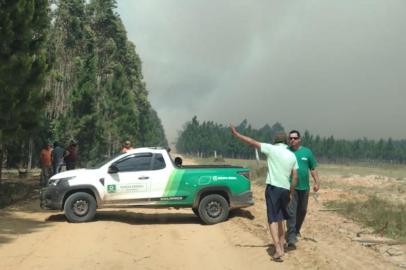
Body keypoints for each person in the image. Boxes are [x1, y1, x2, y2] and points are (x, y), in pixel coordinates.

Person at [231, 126, 298, 261]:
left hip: (273, 188)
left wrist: (237, 135)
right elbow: (295, 176)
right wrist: (291, 192)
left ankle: (278, 249)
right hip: (285, 189)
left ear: (275, 141)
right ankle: (282, 247)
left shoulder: (271, 149)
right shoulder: (292, 155)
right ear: (286, 141)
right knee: (281, 219)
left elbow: (252, 142)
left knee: (272, 219)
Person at [286, 130, 321, 248]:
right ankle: (291, 237)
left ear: (299, 139)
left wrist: (317, 182)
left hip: (304, 188)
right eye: (290, 138)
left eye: (295, 138)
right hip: (291, 187)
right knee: (291, 212)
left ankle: (295, 231)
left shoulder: (307, 152)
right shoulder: (286, 151)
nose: (292, 140)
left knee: (302, 211)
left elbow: (313, 168)